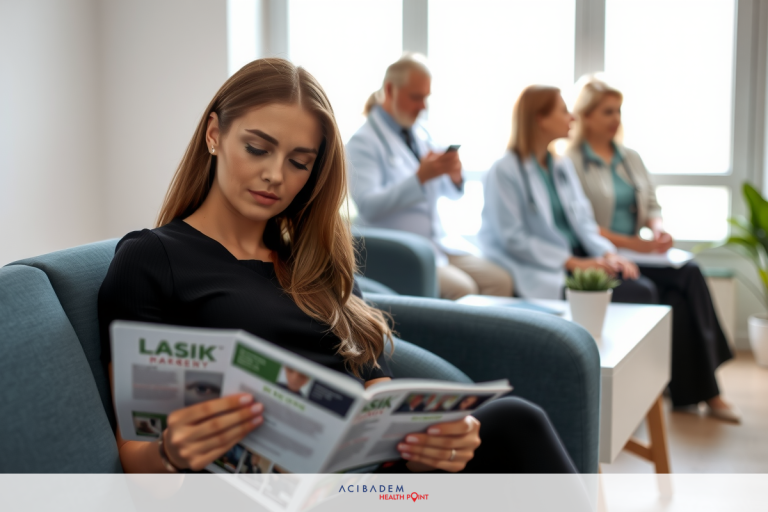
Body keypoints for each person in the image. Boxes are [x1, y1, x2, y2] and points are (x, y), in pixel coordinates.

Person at [98, 58, 577, 474]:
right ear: (214, 134)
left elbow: (380, 395)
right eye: (258, 148)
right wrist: (171, 453)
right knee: (516, 423)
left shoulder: (316, 262)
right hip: (264, 487)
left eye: (299, 162)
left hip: (372, 481)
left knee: (511, 421)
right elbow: (137, 457)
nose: (275, 175)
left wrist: (430, 449)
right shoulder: (151, 258)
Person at [565, 77, 738, 422]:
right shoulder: (570, 163)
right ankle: (708, 392)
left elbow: (652, 203)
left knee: (684, 282)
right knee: (681, 285)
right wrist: (633, 244)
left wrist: (657, 231)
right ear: (585, 116)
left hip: (640, 252)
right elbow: (581, 223)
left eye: (618, 111)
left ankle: (695, 393)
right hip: (605, 254)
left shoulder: (630, 158)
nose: (616, 119)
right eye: (607, 112)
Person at [346, 53, 513, 300]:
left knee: (500, 281)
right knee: (463, 288)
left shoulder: (420, 133)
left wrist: (453, 176)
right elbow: (369, 206)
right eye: (416, 97)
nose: (423, 106)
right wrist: (420, 178)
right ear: (390, 90)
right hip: (400, 249)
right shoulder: (362, 143)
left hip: (436, 242)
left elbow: (444, 194)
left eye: (426, 98)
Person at [479, 85, 656, 304]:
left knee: (641, 285)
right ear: (541, 119)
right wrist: (574, 263)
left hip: (577, 255)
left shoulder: (560, 165)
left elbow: (584, 221)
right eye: (563, 111)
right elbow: (514, 239)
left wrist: (608, 254)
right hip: (543, 266)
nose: (572, 117)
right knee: (641, 292)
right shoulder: (504, 170)